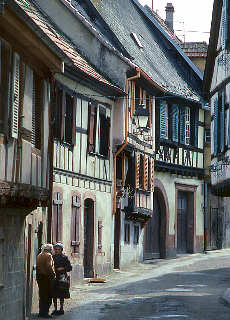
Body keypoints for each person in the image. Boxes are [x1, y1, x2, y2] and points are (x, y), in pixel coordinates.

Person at [51, 243, 72, 316]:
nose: (57, 251)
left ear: (61, 250)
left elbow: (70, 268)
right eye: (56, 249)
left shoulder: (64, 258)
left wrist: (63, 268)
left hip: (62, 277)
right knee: (54, 294)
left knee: (61, 294)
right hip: (54, 277)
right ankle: (55, 308)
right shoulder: (52, 257)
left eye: (58, 249)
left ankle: (61, 308)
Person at [36, 243, 56, 319]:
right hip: (47, 277)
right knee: (48, 295)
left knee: (42, 295)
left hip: (40, 277)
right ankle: (45, 312)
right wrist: (53, 274)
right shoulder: (48, 255)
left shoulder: (39, 255)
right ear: (50, 249)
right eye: (52, 249)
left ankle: (41, 312)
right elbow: (49, 266)